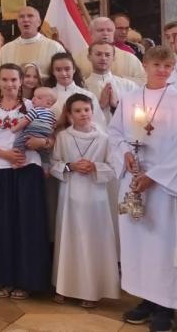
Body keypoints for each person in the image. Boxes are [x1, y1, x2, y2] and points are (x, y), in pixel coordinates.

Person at [110, 46, 177, 331]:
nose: (162, 70)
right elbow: (114, 133)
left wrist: (156, 176)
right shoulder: (130, 99)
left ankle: (166, 306)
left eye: (168, 66)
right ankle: (146, 300)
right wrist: (125, 153)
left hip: (165, 187)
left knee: (163, 247)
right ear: (145, 65)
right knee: (138, 244)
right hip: (134, 181)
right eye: (157, 65)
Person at [0, 64, 50, 300]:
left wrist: (42, 144)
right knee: (4, 225)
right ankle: (6, 278)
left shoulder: (32, 106)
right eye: (5, 79)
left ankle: (27, 281)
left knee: (28, 225)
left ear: (21, 81)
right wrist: (6, 155)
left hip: (28, 169)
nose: (9, 84)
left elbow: (48, 136)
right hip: (1, 170)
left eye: (13, 80)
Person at [51, 94, 119, 309]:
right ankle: (64, 287)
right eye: (78, 111)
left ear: (92, 111)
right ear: (70, 114)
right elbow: (53, 164)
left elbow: (114, 168)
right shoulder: (63, 137)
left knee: (91, 243)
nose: (83, 114)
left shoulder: (104, 138)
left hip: (95, 199)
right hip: (70, 197)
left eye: (86, 110)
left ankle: (91, 291)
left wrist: (95, 167)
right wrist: (70, 166)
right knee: (69, 241)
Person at [0, 6, 65, 88]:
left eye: (30, 16)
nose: (25, 19)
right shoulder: (6, 50)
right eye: (21, 17)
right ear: (18, 22)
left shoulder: (54, 47)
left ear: (39, 22)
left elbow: (64, 77)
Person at [73, 17, 145, 85]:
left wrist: (119, 81)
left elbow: (143, 80)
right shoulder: (78, 59)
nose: (105, 33)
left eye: (109, 30)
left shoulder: (129, 58)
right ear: (91, 33)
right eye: (100, 30)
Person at [47, 52, 106, 130]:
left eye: (67, 69)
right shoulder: (46, 95)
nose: (63, 73)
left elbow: (100, 124)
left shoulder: (87, 95)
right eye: (58, 70)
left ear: (74, 69)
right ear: (53, 72)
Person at [83, 41, 138, 123]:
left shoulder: (129, 86)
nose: (103, 58)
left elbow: (140, 115)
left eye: (107, 55)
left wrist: (116, 106)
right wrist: (100, 105)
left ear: (114, 57)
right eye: (98, 54)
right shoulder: (82, 87)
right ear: (89, 57)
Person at [11, 87, 57, 173]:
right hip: (44, 136)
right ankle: (46, 166)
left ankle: (19, 161)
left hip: (32, 132)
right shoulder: (52, 114)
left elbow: (25, 121)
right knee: (43, 152)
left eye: (38, 98)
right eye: (34, 96)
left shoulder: (36, 110)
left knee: (18, 143)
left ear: (48, 103)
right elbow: (54, 125)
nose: (34, 99)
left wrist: (15, 128)